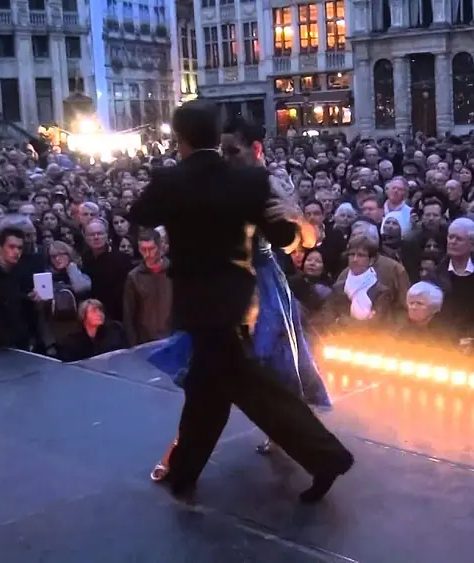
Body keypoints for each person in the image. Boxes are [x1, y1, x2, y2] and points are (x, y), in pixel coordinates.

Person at [128, 101, 353, 503]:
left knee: (248, 390)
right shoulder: (247, 182)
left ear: (179, 138)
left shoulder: (170, 181)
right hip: (239, 302)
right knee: (207, 389)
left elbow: (139, 211)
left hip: (197, 306)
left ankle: (326, 457)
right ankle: (184, 472)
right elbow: (283, 238)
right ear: (219, 137)